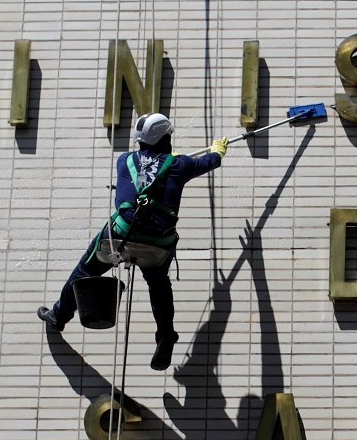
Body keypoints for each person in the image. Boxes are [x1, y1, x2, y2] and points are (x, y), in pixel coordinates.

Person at [38, 113, 227, 370]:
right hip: (156, 246)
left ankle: (59, 316)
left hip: (118, 239)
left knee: (85, 270)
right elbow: (212, 160)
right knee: (158, 285)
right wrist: (218, 149)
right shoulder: (180, 165)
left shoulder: (124, 160)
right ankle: (165, 336)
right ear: (166, 138)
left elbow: (146, 171)